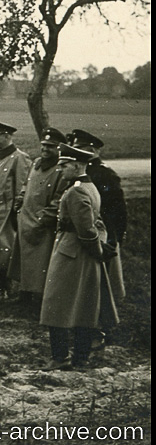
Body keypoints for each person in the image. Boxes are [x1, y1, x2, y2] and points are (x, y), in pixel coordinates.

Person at [39, 144, 119, 371]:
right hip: (82, 255)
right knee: (85, 306)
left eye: (64, 165)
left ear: (76, 165)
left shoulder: (76, 191)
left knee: (57, 306)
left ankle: (60, 357)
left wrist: (97, 249)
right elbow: (97, 224)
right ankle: (81, 357)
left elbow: (86, 230)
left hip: (70, 254)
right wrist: (99, 249)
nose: (61, 169)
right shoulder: (89, 186)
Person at [71, 128, 127, 348]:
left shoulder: (104, 176)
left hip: (102, 238)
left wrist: (113, 240)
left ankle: (98, 332)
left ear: (92, 151)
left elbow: (117, 211)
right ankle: (85, 328)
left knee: (100, 286)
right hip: (85, 237)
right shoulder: (81, 174)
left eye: (80, 149)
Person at [8, 128, 69, 316]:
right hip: (26, 220)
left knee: (41, 264)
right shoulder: (36, 164)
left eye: (50, 147)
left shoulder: (60, 170)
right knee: (24, 261)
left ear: (59, 148)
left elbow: (59, 198)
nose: (45, 149)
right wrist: (19, 201)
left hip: (43, 225)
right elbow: (27, 185)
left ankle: (40, 300)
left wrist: (44, 218)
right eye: (43, 145)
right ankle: (24, 295)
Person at [0, 121, 32, 296]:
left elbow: (22, 189)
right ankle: (1, 289)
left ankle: (8, 290)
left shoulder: (20, 158)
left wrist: (16, 213)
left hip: (7, 214)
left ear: (8, 136)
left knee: (6, 252)